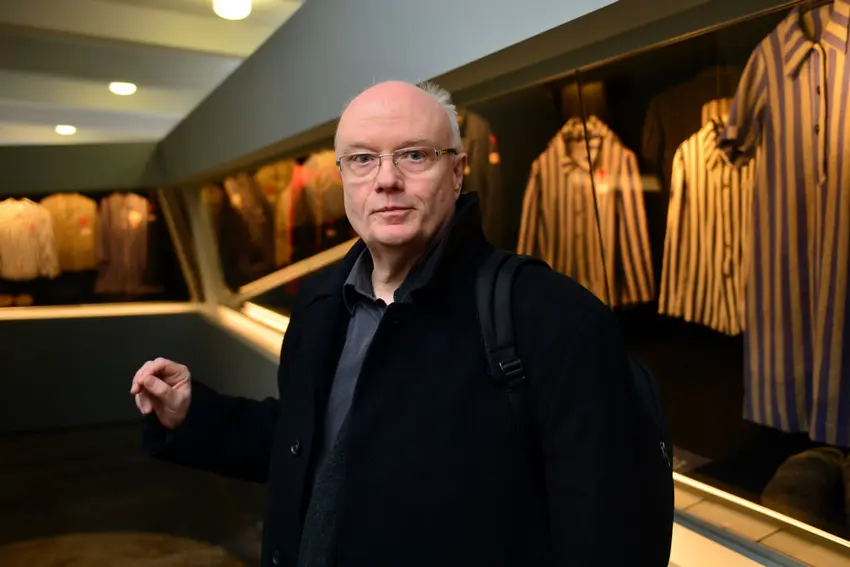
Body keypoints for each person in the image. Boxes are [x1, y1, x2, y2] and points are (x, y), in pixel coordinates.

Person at [131, 80, 667, 567]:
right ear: (343, 177)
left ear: (457, 172)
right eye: (363, 159)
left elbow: (605, 533)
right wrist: (194, 414)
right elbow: (312, 443)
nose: (386, 180)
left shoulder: (550, 317)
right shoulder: (322, 304)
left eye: (414, 155)